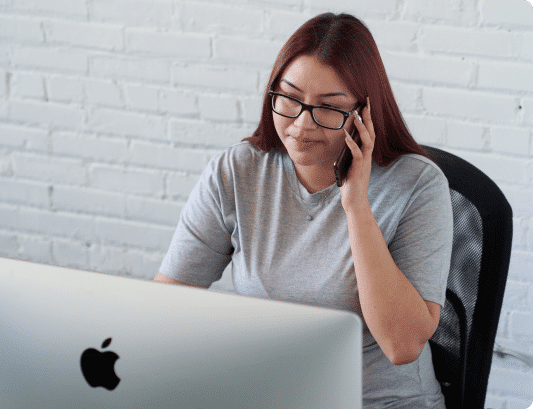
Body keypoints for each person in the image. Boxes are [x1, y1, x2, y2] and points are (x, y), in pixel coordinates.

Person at [154, 12, 453, 409]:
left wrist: (356, 206)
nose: (300, 125)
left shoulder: (418, 186)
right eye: (289, 99)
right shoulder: (238, 171)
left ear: (365, 113)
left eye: (328, 108)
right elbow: (163, 307)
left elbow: (401, 345)